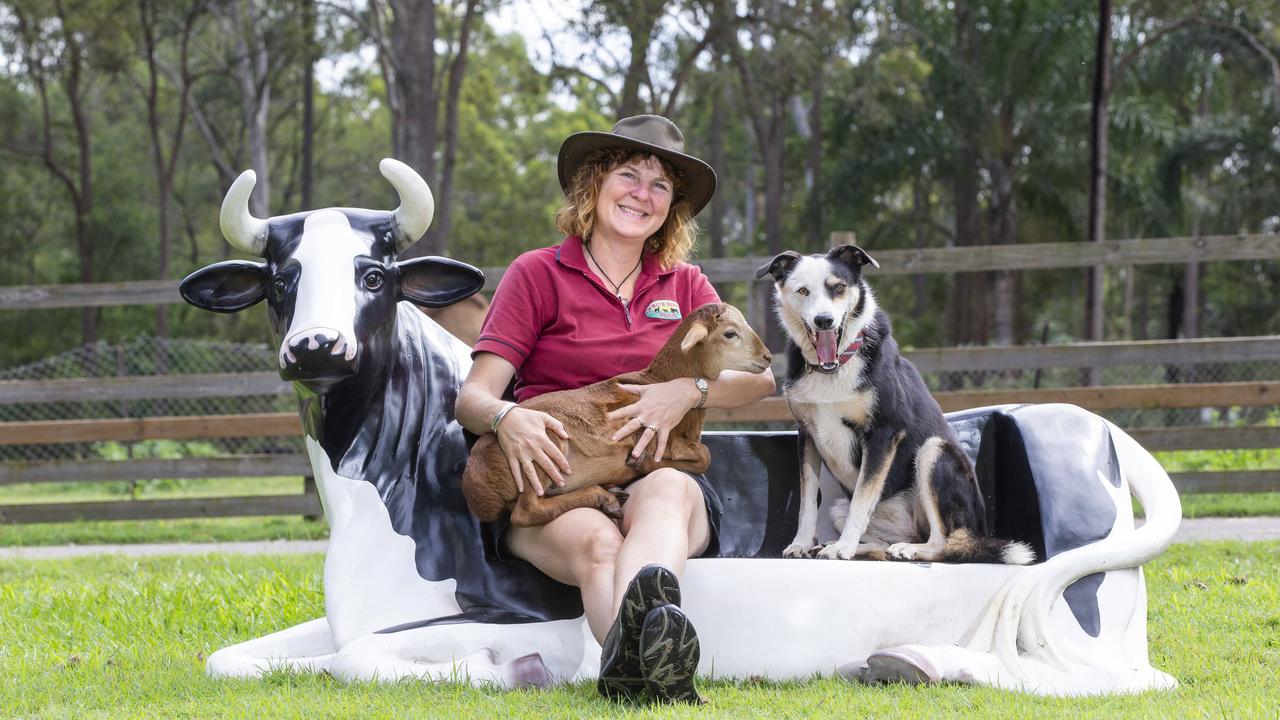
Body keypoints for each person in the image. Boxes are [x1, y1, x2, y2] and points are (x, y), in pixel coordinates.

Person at [455, 115, 775, 703]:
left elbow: (761, 379)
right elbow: (472, 398)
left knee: (670, 493)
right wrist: (508, 417)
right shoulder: (537, 274)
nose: (642, 195)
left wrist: (690, 391)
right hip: (554, 484)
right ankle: (650, 670)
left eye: (660, 186)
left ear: (672, 207)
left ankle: (636, 670)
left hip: (655, 476)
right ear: (594, 185)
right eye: (628, 175)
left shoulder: (685, 287)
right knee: (600, 544)